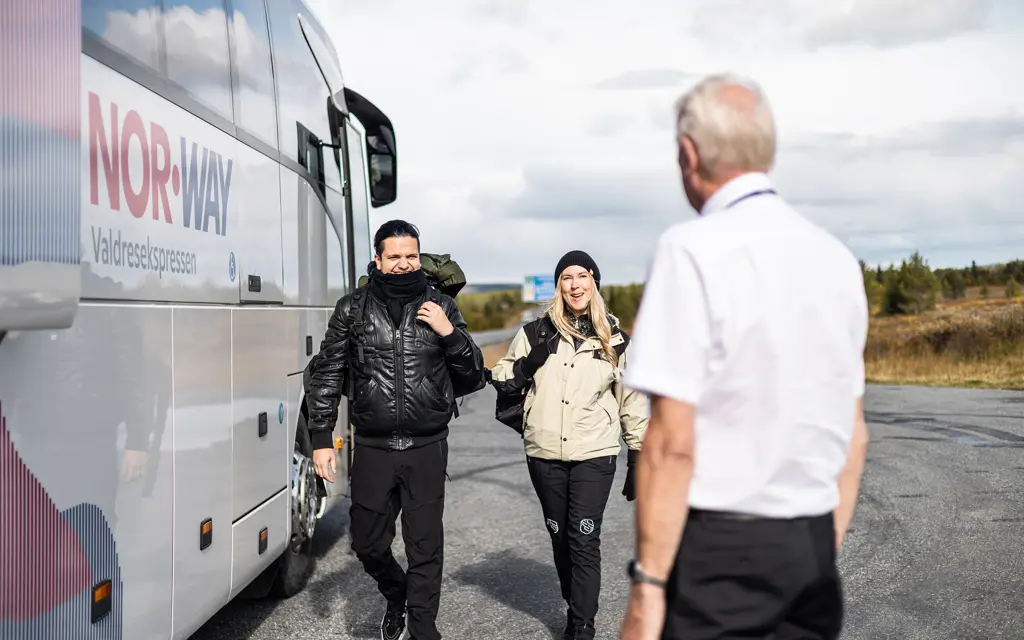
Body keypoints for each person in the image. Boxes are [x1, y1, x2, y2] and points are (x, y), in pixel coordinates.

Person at [618, 73, 870, 640]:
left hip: (721, 552)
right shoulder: (836, 259)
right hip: (810, 544)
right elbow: (853, 437)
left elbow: (670, 442)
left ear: (689, 153)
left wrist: (648, 588)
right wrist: (812, 547)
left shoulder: (691, 251)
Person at [306, 220, 486, 640]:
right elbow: (328, 372)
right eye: (395, 257)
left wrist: (448, 332)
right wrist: (320, 438)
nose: (405, 264)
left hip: (426, 447)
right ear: (379, 260)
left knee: (425, 548)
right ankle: (397, 592)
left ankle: (424, 630)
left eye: (411, 256)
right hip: (372, 447)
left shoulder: (442, 305)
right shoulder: (352, 308)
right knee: (367, 544)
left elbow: (474, 374)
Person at [491, 250, 649, 640]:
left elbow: (632, 400)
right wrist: (528, 364)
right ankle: (574, 599)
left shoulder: (615, 339)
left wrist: (638, 457)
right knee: (560, 534)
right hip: (544, 452)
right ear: (559, 285)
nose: (575, 284)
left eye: (582, 276)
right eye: (567, 277)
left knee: (583, 535)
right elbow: (500, 374)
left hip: (595, 453)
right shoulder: (533, 333)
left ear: (594, 281)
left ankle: (582, 623)